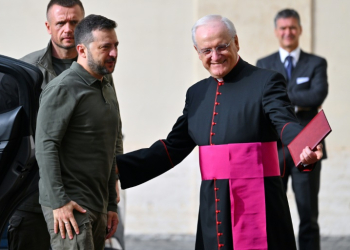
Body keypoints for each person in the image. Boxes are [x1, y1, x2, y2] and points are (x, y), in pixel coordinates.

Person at [115, 15, 323, 250]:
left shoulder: (266, 81)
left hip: (259, 202)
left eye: (222, 46)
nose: (215, 56)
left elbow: (285, 122)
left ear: (236, 42)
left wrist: (302, 145)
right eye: (206, 50)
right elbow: (171, 149)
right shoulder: (197, 93)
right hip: (214, 204)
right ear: (197, 50)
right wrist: (115, 168)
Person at [35, 14, 122, 249]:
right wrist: (59, 202)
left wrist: (111, 205)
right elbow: (45, 145)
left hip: (98, 204)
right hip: (71, 209)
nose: (113, 52)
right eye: (105, 47)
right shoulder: (64, 87)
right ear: (82, 50)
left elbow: (110, 147)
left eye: (115, 46)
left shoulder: (105, 84)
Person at [7, 1, 85, 249]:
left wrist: (113, 184)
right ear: (48, 26)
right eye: (61, 22)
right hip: (29, 195)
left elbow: (112, 127)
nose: (68, 28)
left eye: (75, 22)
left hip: (79, 192)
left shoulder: (96, 70)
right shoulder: (25, 71)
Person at [256, 9, 328, 250]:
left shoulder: (317, 63)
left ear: (300, 30)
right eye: (283, 28)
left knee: (308, 214)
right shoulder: (264, 65)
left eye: (292, 28)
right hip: (274, 148)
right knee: (272, 211)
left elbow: (318, 94)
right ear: (277, 32)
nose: (288, 32)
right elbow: (260, 101)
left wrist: (279, 98)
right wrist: (300, 99)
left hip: (308, 146)